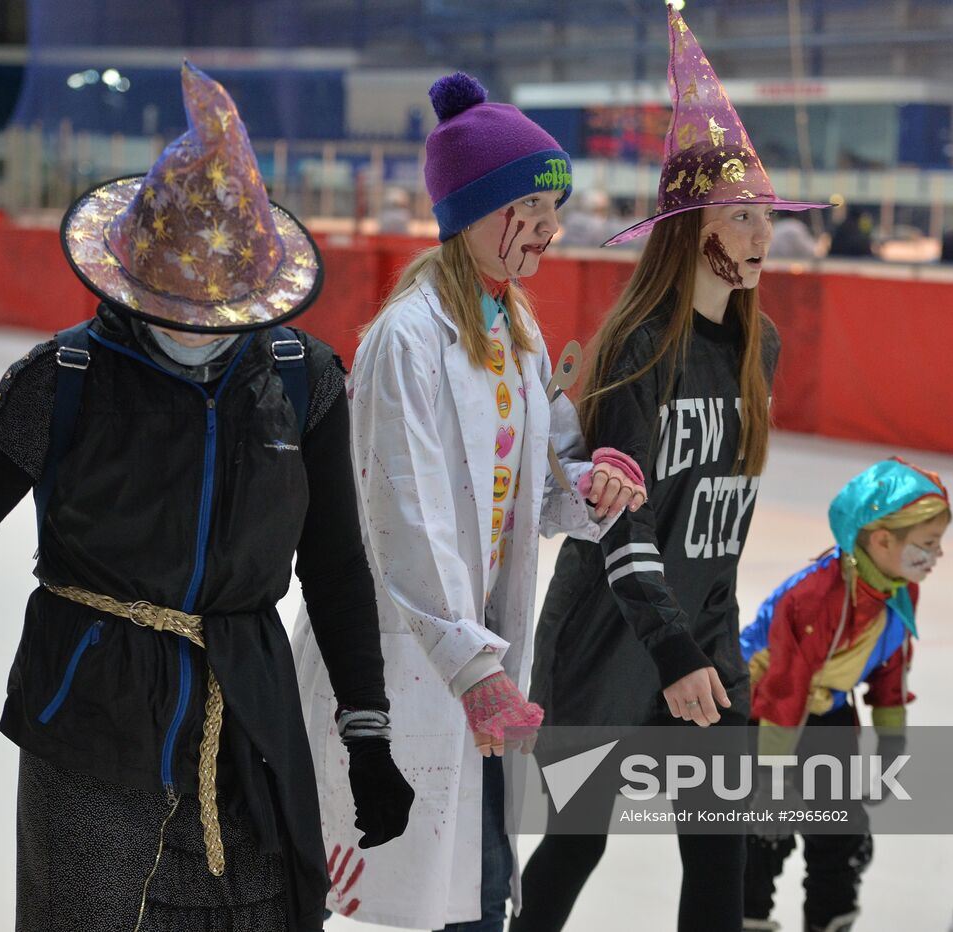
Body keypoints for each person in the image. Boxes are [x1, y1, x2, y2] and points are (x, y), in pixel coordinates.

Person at [0, 62, 413, 932]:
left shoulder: (304, 383)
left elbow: (333, 567)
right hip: (92, 715)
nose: (197, 324)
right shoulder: (64, 379)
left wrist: (366, 729)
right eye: (176, 300)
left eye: (220, 307)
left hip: (247, 720)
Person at [291, 71, 646, 932]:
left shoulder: (511, 326)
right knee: (352, 881)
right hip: (410, 661)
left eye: (554, 212)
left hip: (475, 672)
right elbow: (399, 521)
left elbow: (540, 486)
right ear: (477, 213)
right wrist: (473, 667)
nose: (552, 231)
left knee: (477, 896)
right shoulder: (405, 340)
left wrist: (592, 484)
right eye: (534, 208)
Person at [513, 9, 825, 932]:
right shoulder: (638, 353)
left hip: (705, 636)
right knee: (577, 843)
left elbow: (717, 528)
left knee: (719, 857)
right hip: (609, 639)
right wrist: (675, 652)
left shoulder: (758, 343)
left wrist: (712, 650)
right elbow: (621, 522)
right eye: (739, 215)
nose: (761, 233)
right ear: (690, 230)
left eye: (766, 215)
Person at [740, 458, 951, 932]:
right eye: (928, 544)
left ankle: (829, 919)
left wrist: (891, 743)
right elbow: (784, 689)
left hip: (826, 711)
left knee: (840, 831)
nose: (936, 557)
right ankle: (747, 917)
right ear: (881, 541)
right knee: (764, 835)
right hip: (765, 719)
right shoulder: (816, 597)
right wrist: (772, 782)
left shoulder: (898, 588)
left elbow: (890, 668)